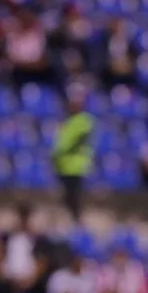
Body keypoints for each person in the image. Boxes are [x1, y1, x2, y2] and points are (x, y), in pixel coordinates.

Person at [52, 85, 94, 223]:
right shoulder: (67, 121)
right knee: (66, 197)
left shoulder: (84, 121)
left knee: (75, 197)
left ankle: (77, 221)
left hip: (76, 167)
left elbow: (67, 142)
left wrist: (60, 148)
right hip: (63, 167)